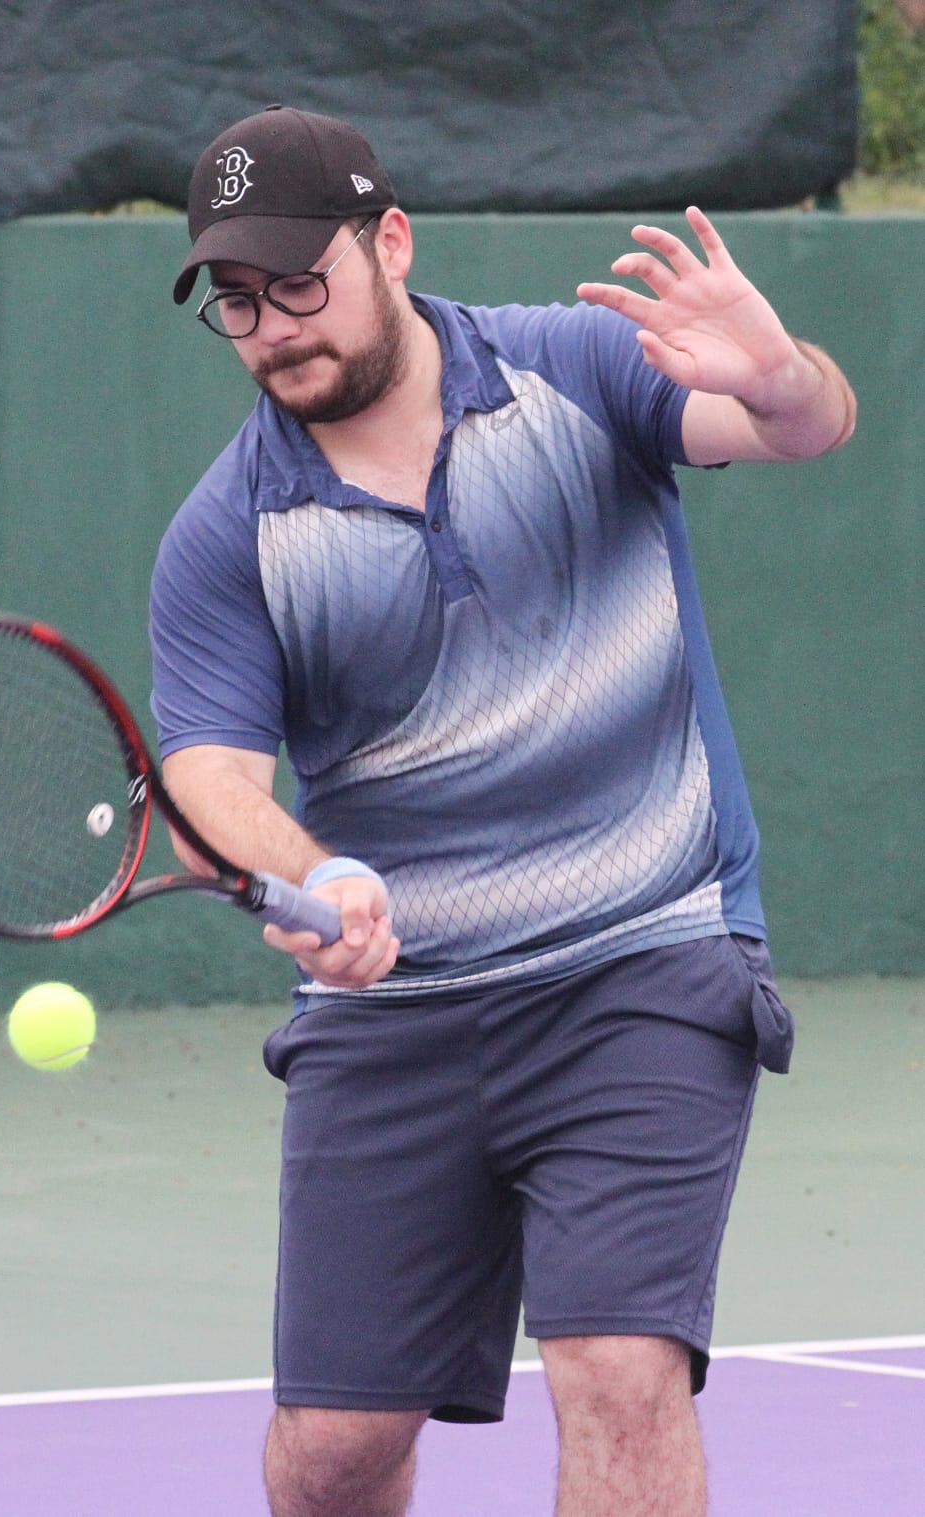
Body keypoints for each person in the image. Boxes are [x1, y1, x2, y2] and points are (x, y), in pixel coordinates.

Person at [152, 105, 856, 1517]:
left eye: (298, 279)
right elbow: (207, 785)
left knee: (616, 1366)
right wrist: (319, 871)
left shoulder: (579, 367)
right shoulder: (227, 533)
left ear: (389, 241)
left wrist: (778, 376)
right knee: (338, 1449)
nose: (272, 325)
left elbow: (802, 427)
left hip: (640, 958)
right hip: (396, 1019)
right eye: (236, 300)